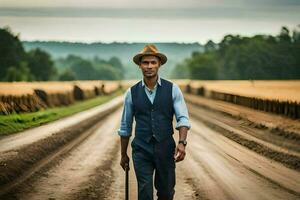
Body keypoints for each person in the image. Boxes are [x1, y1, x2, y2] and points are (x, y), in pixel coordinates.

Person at [118, 44, 191, 200]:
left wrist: (182, 142)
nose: (149, 66)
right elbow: (125, 127)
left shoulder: (173, 89)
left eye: (153, 62)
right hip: (141, 149)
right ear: (140, 65)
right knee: (144, 192)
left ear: (159, 65)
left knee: (166, 192)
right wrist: (123, 154)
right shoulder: (131, 93)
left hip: (165, 149)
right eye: (145, 63)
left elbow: (183, 118)